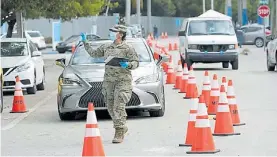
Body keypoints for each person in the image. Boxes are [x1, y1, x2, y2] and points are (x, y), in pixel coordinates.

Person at [80, 25, 139, 144]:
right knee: (110, 106)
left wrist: (128, 65)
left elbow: (136, 62)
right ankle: (121, 125)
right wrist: (85, 42)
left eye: (114, 31)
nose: (111, 33)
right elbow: (94, 54)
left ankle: (119, 131)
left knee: (119, 104)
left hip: (123, 81)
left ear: (120, 34)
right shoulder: (106, 46)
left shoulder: (128, 48)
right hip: (109, 82)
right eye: (111, 31)